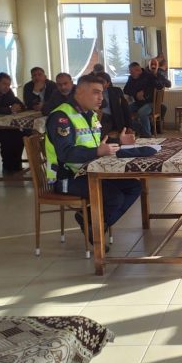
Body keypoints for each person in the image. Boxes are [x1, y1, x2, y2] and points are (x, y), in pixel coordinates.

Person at [45, 74, 141, 244]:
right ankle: (96, 229)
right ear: (80, 92)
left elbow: (97, 143)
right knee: (114, 197)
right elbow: (65, 153)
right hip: (67, 178)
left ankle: (91, 221)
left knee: (134, 186)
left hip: (90, 172)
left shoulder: (89, 114)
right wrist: (97, 152)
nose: (101, 98)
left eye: (102, 92)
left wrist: (119, 141)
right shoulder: (61, 117)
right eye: (96, 92)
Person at [123, 61, 165, 137]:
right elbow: (126, 90)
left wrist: (144, 93)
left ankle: (147, 134)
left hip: (151, 103)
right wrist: (136, 93)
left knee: (142, 112)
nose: (131, 74)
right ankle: (141, 129)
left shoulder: (149, 76)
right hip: (138, 103)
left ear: (138, 70)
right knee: (124, 111)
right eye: (130, 72)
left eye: (132, 72)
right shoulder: (131, 78)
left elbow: (159, 86)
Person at [94, 72, 133, 138]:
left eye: (102, 82)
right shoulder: (92, 94)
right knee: (99, 130)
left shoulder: (116, 91)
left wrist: (129, 126)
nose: (99, 84)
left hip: (114, 118)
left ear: (108, 83)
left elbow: (125, 109)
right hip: (99, 119)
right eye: (97, 82)